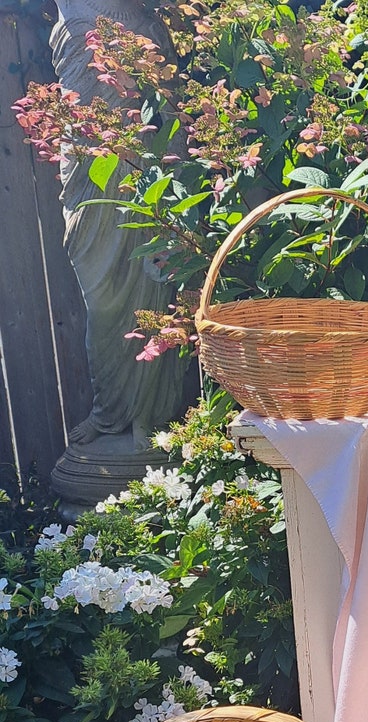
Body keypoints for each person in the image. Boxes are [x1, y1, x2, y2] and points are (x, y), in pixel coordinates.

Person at [50, 0, 186, 450]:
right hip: (88, 169)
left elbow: (169, 104)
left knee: (153, 285)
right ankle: (109, 410)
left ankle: (151, 413)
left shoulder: (146, 16)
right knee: (103, 302)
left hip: (146, 156)